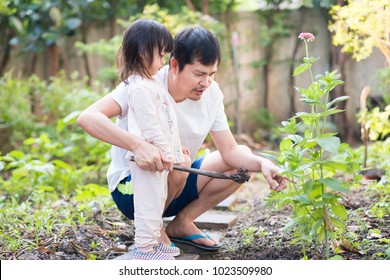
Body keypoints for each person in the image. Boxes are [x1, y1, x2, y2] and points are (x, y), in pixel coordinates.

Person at [77, 24, 287, 254]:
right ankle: (153, 229)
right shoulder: (145, 84)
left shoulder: (212, 93)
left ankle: (182, 223)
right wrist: (138, 146)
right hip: (134, 189)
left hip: (177, 179)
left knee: (241, 160)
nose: (206, 82)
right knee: (179, 162)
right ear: (174, 65)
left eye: (212, 74)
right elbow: (88, 117)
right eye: (199, 74)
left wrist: (262, 163)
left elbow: (229, 151)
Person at [103, 18, 191, 260]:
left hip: (159, 156)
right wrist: (165, 150)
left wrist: (174, 147)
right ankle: (144, 248)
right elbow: (150, 127)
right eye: (161, 56)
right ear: (143, 52)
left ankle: (154, 241)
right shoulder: (139, 88)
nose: (163, 62)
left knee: (159, 200)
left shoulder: (151, 83)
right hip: (148, 160)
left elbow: (166, 122)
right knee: (149, 204)